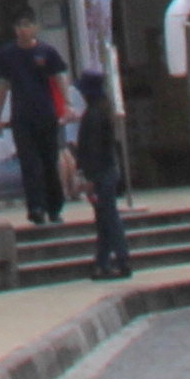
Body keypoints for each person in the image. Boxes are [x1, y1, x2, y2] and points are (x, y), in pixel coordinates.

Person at [0, 9, 73, 228]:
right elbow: (3, 84)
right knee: (29, 164)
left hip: (45, 114)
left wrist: (67, 104)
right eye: (19, 26)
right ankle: (35, 208)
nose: (23, 30)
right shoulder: (7, 54)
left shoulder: (46, 52)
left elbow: (58, 77)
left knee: (49, 162)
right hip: (21, 116)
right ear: (15, 30)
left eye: (27, 25)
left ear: (35, 28)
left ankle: (54, 207)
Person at [72, 71, 133, 280]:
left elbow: (93, 149)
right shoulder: (102, 111)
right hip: (107, 171)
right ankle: (102, 263)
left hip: (100, 174)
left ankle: (122, 259)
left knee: (108, 217)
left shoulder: (93, 115)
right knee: (104, 218)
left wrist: (88, 177)